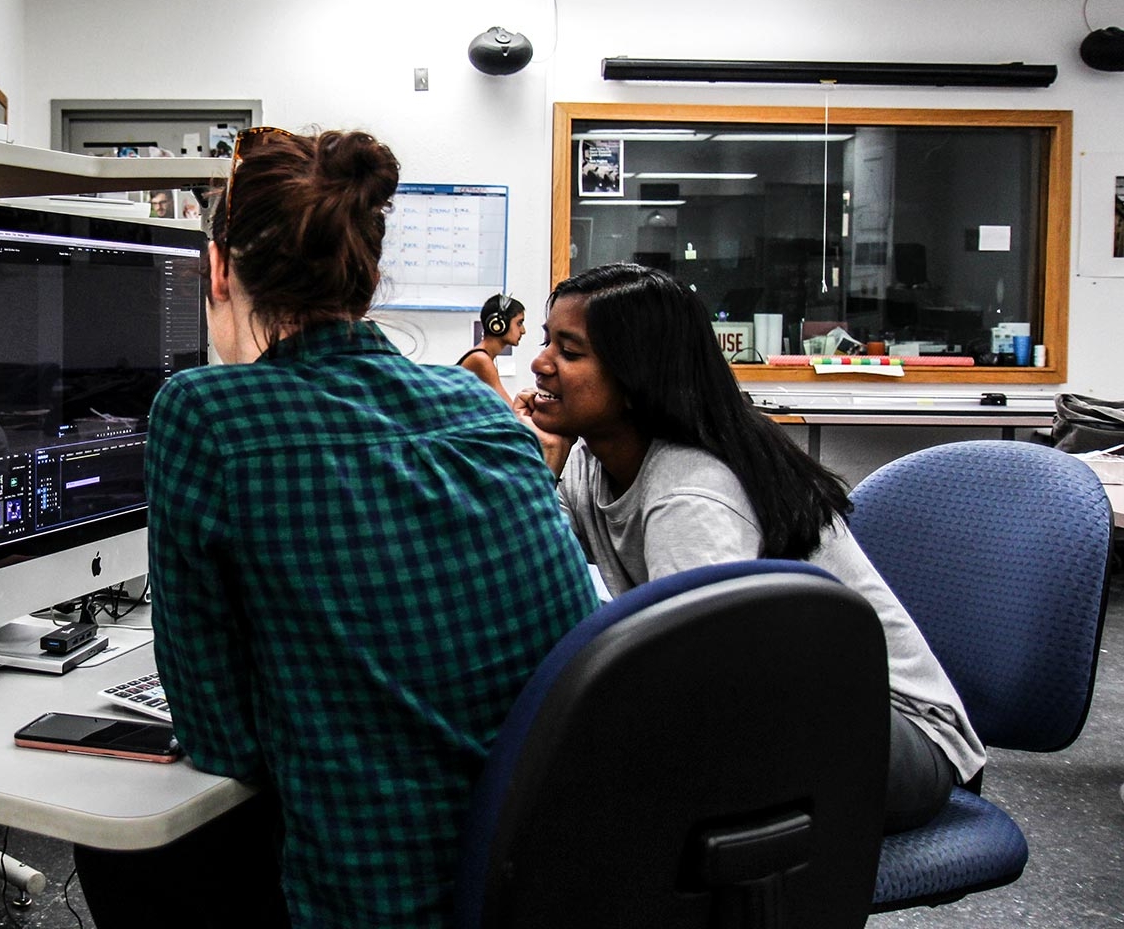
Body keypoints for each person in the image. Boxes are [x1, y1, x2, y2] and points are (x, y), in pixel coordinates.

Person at [73, 127, 600, 928]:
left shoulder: (204, 412)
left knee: (116, 843)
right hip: (545, 875)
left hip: (376, 902)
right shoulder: (472, 404)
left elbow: (221, 741)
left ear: (217, 269)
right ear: (365, 274)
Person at [513, 262, 986, 835]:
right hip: (781, 705)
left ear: (637, 373)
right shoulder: (595, 458)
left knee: (614, 782)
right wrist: (538, 468)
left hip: (898, 734)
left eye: (570, 351)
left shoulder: (690, 492)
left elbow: (706, 681)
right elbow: (534, 571)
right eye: (546, 341)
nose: (540, 363)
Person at [456, 292, 526, 404]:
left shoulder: (482, 356)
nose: (523, 331)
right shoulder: (480, 360)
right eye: (519, 323)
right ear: (499, 324)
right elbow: (509, 410)